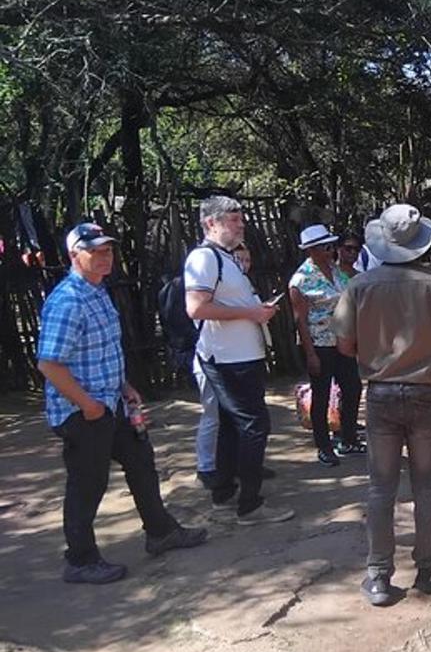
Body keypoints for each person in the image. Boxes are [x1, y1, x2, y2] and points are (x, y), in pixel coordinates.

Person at [38, 223, 207, 584]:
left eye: (108, 251)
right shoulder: (67, 300)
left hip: (110, 403)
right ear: (75, 255)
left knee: (141, 463)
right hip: (82, 411)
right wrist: (87, 404)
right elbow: (49, 363)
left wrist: (124, 386)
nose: (105, 257)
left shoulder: (97, 291)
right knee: (88, 483)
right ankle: (80, 560)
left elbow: (102, 352)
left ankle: (160, 532)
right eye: (96, 251)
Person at [333, 203, 431, 606]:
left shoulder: (359, 286)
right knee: (427, 486)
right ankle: (428, 567)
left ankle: (378, 576)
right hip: (428, 394)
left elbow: (343, 345)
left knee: (380, 488)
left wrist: (376, 351)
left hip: (381, 395)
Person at [185, 196, 294, 525]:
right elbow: (195, 308)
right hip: (228, 359)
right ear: (211, 224)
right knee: (254, 425)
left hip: (239, 356)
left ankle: (224, 493)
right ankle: (250, 504)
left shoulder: (225, 258)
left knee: (233, 427)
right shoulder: (204, 259)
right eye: (233, 219)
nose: (241, 224)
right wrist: (250, 312)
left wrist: (257, 310)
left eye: (241, 218)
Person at [289, 224, 364, 467]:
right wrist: (310, 354)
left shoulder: (336, 270)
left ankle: (348, 437)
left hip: (342, 340)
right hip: (319, 343)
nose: (330, 250)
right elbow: (300, 320)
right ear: (312, 249)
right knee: (321, 395)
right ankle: (323, 445)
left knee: (352, 387)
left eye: (330, 245)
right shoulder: (300, 281)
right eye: (325, 246)